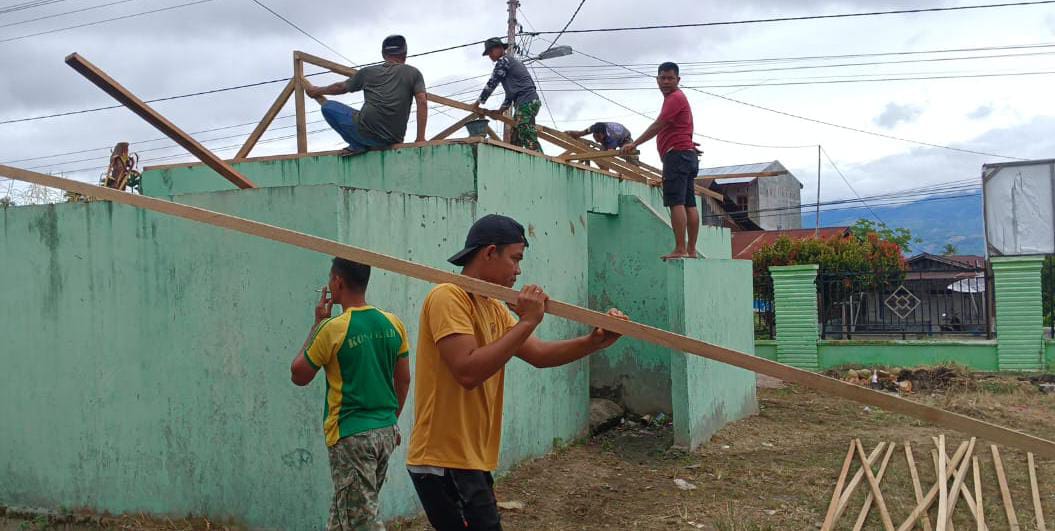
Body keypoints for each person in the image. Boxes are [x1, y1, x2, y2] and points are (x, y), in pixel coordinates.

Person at [405, 214, 628, 530]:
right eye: (515, 258)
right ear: (489, 252)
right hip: (443, 458)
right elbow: (467, 372)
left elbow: (538, 354)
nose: (519, 270)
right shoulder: (448, 296)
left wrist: (595, 341)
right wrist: (526, 321)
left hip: (470, 456)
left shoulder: (493, 306)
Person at [290, 257, 412, 530]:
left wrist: (317, 324)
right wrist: (392, 419)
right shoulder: (392, 323)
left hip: (351, 437)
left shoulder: (332, 328)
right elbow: (403, 380)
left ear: (338, 282)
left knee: (361, 522)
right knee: (345, 514)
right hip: (384, 433)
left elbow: (299, 374)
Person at [621, 62, 700, 260]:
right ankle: (691, 251)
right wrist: (688, 144)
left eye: (670, 78)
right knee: (690, 203)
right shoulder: (679, 99)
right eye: (662, 78)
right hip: (687, 155)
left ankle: (681, 249)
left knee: (677, 202)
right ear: (657, 80)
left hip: (677, 157)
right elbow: (682, 126)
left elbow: (658, 125)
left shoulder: (675, 98)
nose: (665, 82)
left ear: (678, 80)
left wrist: (634, 143)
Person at [304, 35, 427, 156]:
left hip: (364, 133)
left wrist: (317, 91)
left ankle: (357, 146)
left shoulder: (367, 72)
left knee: (328, 107)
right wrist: (420, 139)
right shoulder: (414, 73)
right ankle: (360, 145)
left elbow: (341, 87)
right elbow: (422, 102)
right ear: (405, 54)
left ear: (383, 54)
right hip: (393, 139)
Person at [473, 38, 542, 152]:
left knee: (524, 129)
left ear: (500, 48)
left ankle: (539, 158)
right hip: (526, 102)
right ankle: (516, 159)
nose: (490, 55)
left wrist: (477, 104)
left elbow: (492, 83)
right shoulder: (509, 64)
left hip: (527, 101)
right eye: (488, 53)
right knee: (515, 136)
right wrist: (500, 111)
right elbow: (510, 95)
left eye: (491, 51)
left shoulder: (504, 61)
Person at [565, 122, 633, 151]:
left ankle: (636, 170)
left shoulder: (611, 137)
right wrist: (568, 133)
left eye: (599, 137)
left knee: (629, 153)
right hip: (611, 135)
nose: (596, 140)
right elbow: (579, 133)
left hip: (625, 138)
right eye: (595, 136)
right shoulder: (593, 128)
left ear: (604, 134)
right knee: (602, 153)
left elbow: (610, 153)